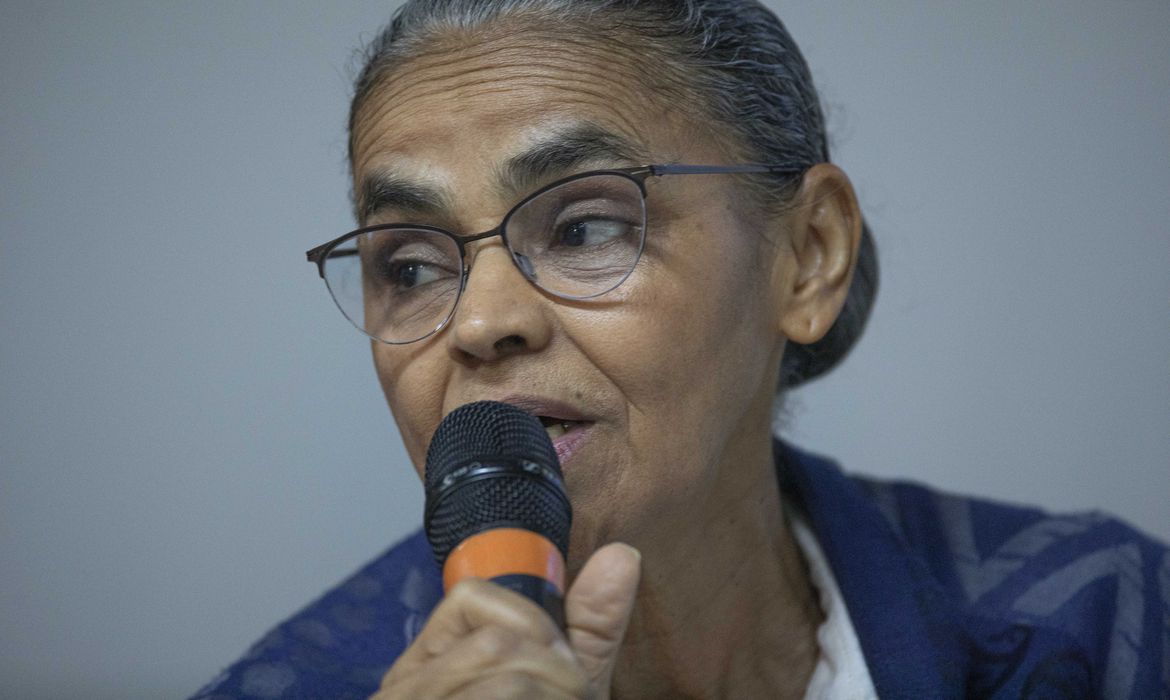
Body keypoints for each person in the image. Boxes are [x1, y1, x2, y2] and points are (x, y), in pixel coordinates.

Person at [194, 1, 1169, 697]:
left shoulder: (1101, 626)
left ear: (808, 255)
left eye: (584, 227)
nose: (480, 322)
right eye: (410, 265)